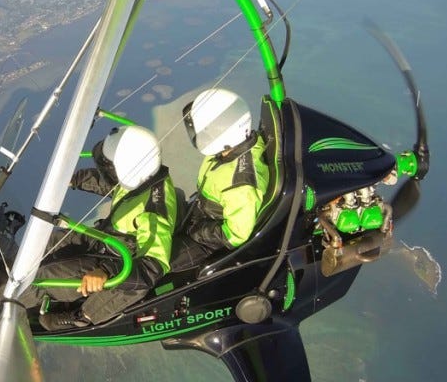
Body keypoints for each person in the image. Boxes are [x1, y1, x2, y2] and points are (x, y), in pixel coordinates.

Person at [17, 125, 177, 331]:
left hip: (116, 260)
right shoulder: (143, 178)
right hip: (107, 241)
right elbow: (113, 186)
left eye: (112, 166)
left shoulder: (153, 211)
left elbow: (152, 267)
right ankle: (7, 281)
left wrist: (106, 271)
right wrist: (74, 179)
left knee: (44, 279)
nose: (109, 170)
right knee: (47, 242)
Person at [180, 89, 269, 260]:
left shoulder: (240, 186)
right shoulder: (235, 147)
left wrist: (198, 231)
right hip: (200, 213)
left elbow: (236, 235)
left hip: (209, 242)